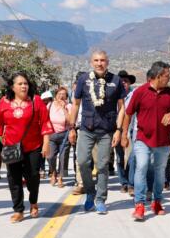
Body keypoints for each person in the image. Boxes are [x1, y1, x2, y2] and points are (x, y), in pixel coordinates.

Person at [0, 72, 53, 223]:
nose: (24, 86)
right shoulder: (4, 102)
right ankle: (18, 210)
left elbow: (46, 122)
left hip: (33, 146)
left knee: (33, 177)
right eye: (20, 84)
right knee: (14, 179)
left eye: (25, 83)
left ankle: (33, 202)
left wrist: (46, 144)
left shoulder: (36, 101)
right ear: (12, 87)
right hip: (11, 147)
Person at [121, 61, 170, 221]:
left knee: (160, 173)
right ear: (158, 76)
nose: (169, 78)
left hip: (163, 142)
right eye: (167, 76)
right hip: (143, 139)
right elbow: (128, 113)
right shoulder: (140, 92)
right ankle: (139, 205)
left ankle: (157, 202)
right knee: (141, 166)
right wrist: (124, 134)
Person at [69, 51, 126, 214]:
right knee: (82, 162)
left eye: (102, 60)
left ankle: (100, 199)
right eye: (96, 60)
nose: (99, 63)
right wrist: (71, 128)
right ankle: (90, 192)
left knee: (102, 166)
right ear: (91, 62)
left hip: (106, 130)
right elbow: (75, 105)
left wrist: (119, 130)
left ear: (107, 62)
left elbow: (122, 108)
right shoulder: (83, 80)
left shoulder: (116, 81)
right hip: (86, 128)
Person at [47, 87, 72, 188]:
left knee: (63, 157)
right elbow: (45, 119)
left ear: (66, 96)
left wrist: (64, 108)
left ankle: (60, 177)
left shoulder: (69, 106)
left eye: (64, 94)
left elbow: (71, 121)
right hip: (51, 134)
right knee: (50, 157)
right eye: (59, 94)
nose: (61, 96)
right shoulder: (50, 105)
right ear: (55, 95)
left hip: (64, 135)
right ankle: (53, 173)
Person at [115, 70, 135, 193]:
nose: (123, 83)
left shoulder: (133, 96)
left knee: (131, 157)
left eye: (126, 81)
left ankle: (131, 183)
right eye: (121, 81)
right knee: (120, 157)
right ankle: (123, 182)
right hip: (116, 129)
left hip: (131, 128)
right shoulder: (113, 96)